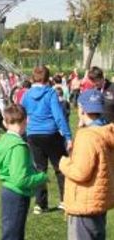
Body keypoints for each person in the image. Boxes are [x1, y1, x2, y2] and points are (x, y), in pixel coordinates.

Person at [60, 89, 114, 240]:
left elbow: (80, 172)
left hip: (84, 203)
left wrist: (64, 163)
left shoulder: (87, 137)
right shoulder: (106, 132)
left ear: (82, 109)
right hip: (98, 201)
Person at [0, 104, 48, 240]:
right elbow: (20, 179)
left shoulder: (5, 139)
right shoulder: (18, 147)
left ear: (4, 122)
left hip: (8, 190)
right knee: (13, 234)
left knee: (11, 231)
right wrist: (41, 177)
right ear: (26, 121)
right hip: (17, 193)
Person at [21, 65, 72, 215]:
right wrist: (68, 136)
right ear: (47, 78)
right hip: (51, 133)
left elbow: (22, 113)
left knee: (39, 169)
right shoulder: (50, 93)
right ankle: (65, 200)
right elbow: (59, 116)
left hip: (33, 134)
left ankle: (40, 204)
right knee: (60, 167)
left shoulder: (27, 94)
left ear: (33, 77)